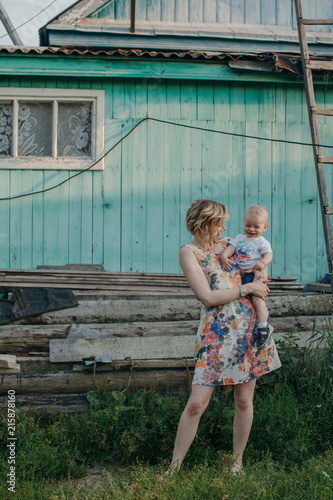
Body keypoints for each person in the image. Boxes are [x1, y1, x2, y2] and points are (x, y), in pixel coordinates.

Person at [167, 199, 281, 476]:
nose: (225, 227)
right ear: (205, 224)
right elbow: (207, 297)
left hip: (249, 330)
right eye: (220, 223)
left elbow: (260, 268)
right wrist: (247, 289)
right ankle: (174, 467)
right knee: (196, 404)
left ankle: (236, 462)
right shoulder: (189, 252)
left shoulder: (234, 243)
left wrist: (261, 276)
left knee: (243, 401)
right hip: (216, 336)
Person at [220, 205, 273, 349]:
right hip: (239, 276)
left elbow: (269, 255)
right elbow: (231, 248)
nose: (251, 229)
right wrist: (224, 255)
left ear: (265, 227)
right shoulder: (239, 238)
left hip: (253, 275)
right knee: (243, 302)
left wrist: (262, 263)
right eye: (248, 225)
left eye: (256, 226)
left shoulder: (262, 242)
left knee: (257, 300)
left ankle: (263, 327)